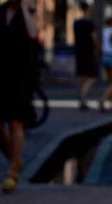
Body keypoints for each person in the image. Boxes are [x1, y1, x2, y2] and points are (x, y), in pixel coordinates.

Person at [0, 0, 38, 193]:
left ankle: (12, 172)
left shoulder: (29, 12)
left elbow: (33, 34)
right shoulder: (2, 10)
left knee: (16, 122)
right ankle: (15, 160)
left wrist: (25, 8)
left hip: (22, 76)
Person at [73, 1, 98, 111]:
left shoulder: (76, 23)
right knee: (92, 76)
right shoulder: (89, 23)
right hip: (88, 51)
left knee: (81, 76)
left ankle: (81, 99)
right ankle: (83, 97)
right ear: (87, 9)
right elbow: (94, 37)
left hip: (79, 50)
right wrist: (98, 47)